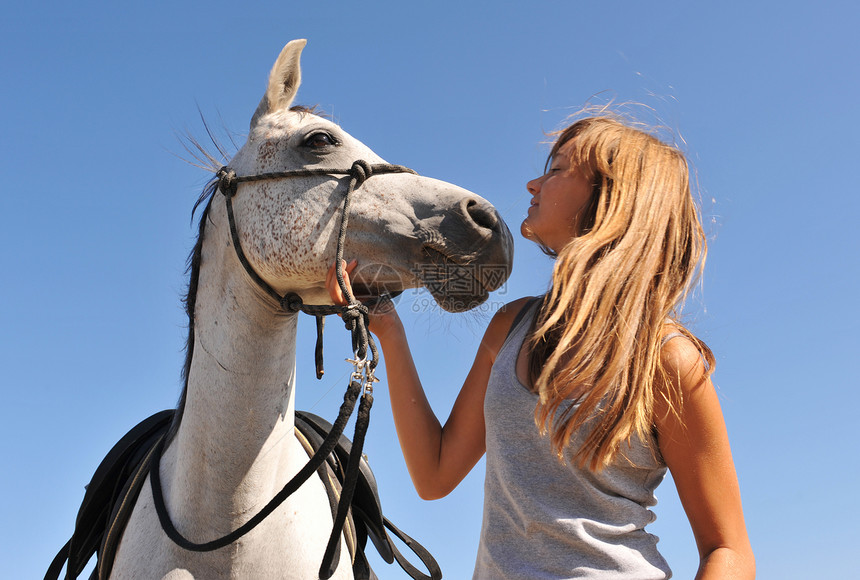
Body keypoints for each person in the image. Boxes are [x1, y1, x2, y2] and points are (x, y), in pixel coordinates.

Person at [327, 114, 755, 579]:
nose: (533, 183)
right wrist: (388, 329)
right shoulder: (510, 327)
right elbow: (434, 475)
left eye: (556, 170)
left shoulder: (669, 359)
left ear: (611, 196)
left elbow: (727, 548)